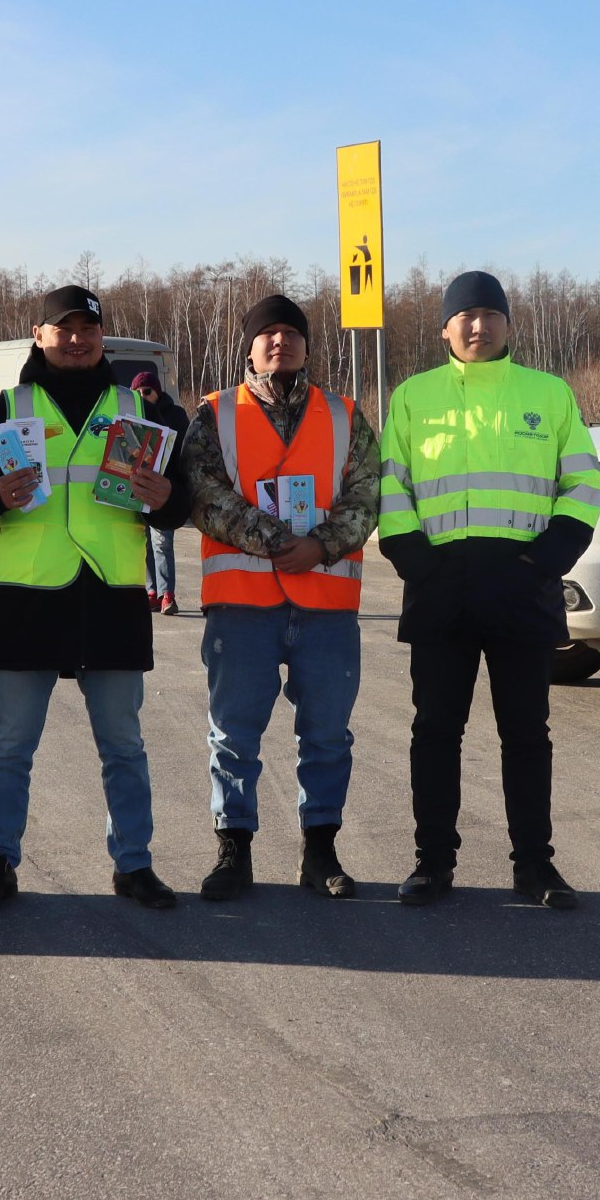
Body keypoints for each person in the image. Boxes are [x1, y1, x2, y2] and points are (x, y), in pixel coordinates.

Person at [0, 286, 193, 912]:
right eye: (64, 329)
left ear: (102, 336)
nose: (77, 339)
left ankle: (133, 864)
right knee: (10, 746)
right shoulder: (8, 408)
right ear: (39, 334)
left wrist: (166, 499)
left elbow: (183, 505)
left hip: (111, 596)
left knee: (125, 747)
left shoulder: (143, 408)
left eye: (88, 328)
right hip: (30, 599)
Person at [376, 271, 600, 909]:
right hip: (440, 589)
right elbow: (391, 485)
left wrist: (550, 557)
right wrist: (415, 560)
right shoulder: (414, 398)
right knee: (435, 732)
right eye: (465, 316)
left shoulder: (548, 393)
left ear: (508, 324)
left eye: (489, 315)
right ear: (445, 327)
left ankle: (535, 867)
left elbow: (583, 482)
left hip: (522, 588)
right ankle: (432, 865)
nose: (477, 327)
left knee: (527, 734)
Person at [183, 294, 380, 900]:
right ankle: (232, 850)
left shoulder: (346, 414)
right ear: (249, 346)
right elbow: (201, 492)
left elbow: (368, 494)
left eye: (291, 333)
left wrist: (320, 546)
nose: (279, 342)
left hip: (325, 604)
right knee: (233, 732)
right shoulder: (214, 413)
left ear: (307, 346)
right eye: (267, 333)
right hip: (242, 603)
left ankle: (319, 852)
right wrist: (272, 539)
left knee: (326, 733)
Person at [129, 365, 188, 615]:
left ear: (158, 392)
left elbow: (185, 450)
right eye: (138, 392)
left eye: (148, 391)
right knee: (144, 544)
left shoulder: (174, 414)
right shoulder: (130, 414)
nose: (143, 396)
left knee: (162, 542)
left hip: (164, 490)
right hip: (135, 487)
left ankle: (167, 595)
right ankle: (152, 591)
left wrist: (176, 487)